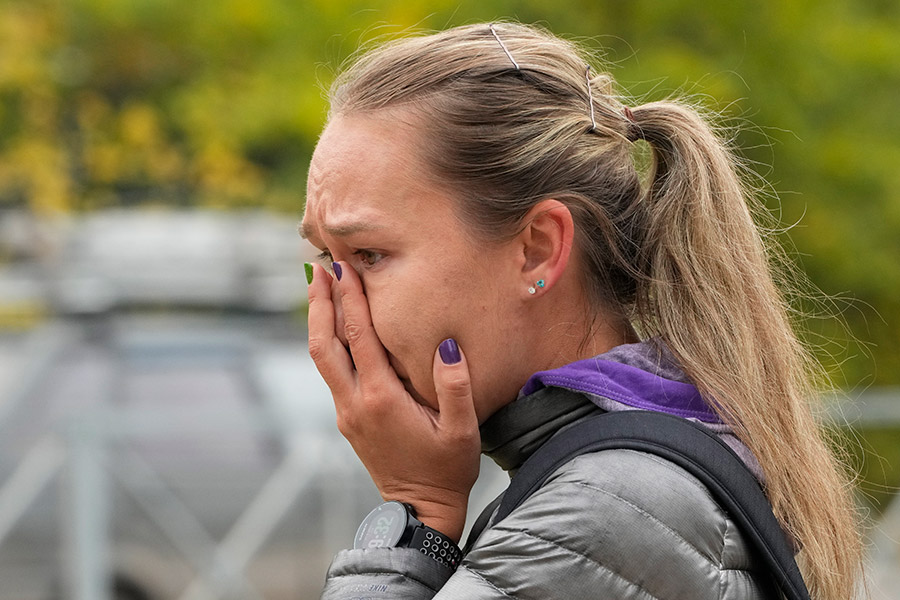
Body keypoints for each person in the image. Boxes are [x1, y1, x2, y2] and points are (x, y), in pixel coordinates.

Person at [301, 22, 863, 600]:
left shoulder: (600, 519)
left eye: (369, 255)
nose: (338, 307)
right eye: (326, 257)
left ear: (537, 249)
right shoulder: (619, 486)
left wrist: (415, 508)